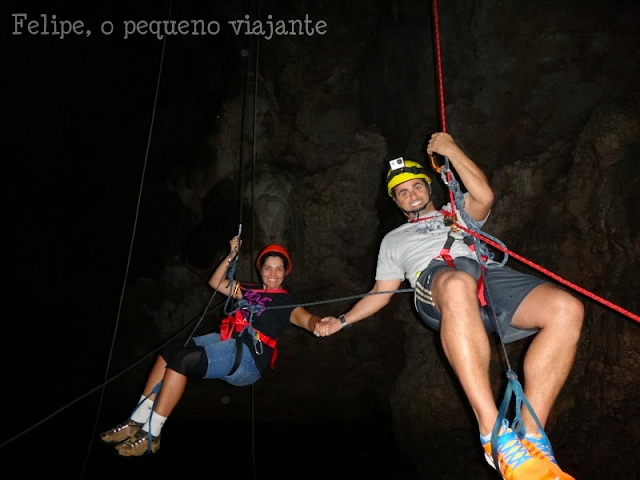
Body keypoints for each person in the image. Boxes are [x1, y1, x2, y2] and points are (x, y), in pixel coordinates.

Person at [314, 132, 584, 480]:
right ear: (396, 201)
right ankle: (494, 436)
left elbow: (485, 195)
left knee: (566, 309)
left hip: (484, 278)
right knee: (457, 284)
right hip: (437, 287)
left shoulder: (456, 213)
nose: (411, 194)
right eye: (403, 192)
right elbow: (381, 292)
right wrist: (342, 320)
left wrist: (451, 150)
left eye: (416, 186)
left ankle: (532, 438)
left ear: (429, 187)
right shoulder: (393, 241)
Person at [101, 237, 326, 457]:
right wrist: (231, 256)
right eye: (268, 268)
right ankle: (136, 420)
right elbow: (216, 282)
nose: (273, 274)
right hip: (228, 340)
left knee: (183, 360)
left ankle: (152, 436)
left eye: (279, 269)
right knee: (170, 350)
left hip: (249, 359)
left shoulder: (287, 302)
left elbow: (305, 318)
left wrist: (318, 324)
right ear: (261, 270)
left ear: (286, 271)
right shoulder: (247, 288)